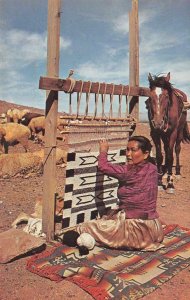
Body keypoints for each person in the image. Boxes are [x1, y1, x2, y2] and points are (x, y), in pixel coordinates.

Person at [76, 135, 164, 251]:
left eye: (133, 150)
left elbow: (103, 166)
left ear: (146, 154)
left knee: (86, 227)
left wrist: (103, 150)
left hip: (136, 232)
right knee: (109, 216)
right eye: (127, 150)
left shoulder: (127, 171)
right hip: (154, 229)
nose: (128, 154)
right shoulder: (153, 168)